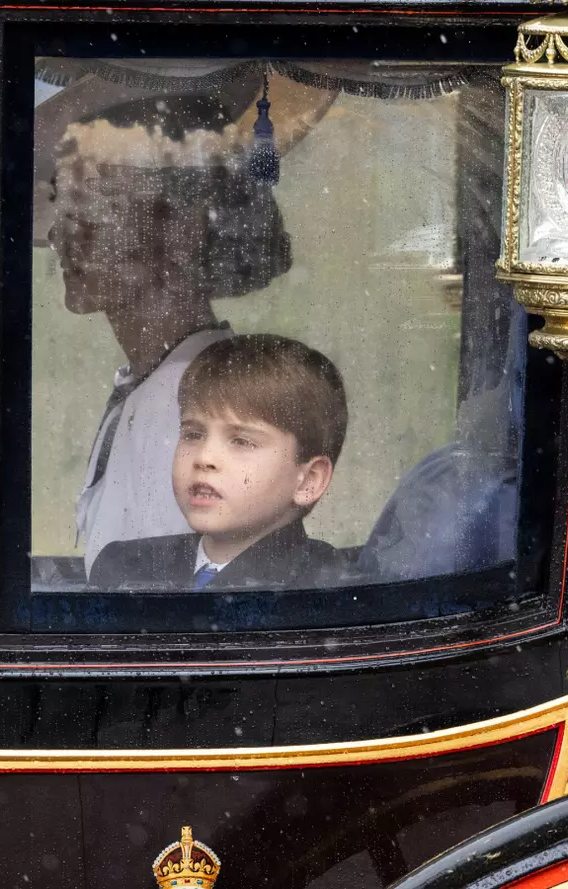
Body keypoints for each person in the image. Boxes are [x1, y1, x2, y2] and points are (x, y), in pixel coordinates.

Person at [47, 100, 293, 577]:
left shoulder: (189, 413)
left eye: (93, 206)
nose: (60, 234)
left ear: (183, 229)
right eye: (64, 201)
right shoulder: (154, 387)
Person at [89, 334, 348, 591]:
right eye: (193, 435)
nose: (204, 458)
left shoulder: (324, 590)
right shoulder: (123, 568)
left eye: (242, 441)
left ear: (309, 481)